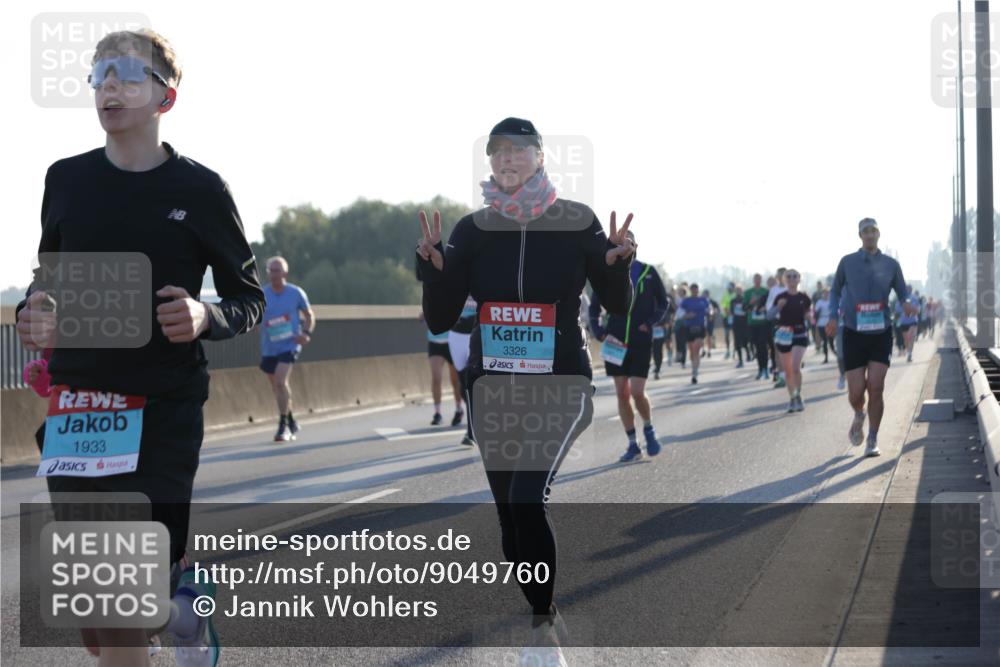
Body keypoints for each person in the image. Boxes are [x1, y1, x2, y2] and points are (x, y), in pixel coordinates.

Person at [15, 29, 264, 667]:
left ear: (165, 99)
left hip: (163, 409)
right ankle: (181, 612)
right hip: (79, 409)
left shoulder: (201, 189)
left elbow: (248, 296)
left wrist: (207, 315)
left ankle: (175, 611)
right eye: (99, 74)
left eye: (127, 73)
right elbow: (51, 275)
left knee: (121, 607)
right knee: (102, 626)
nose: (110, 85)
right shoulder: (65, 179)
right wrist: (34, 311)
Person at [415, 117, 635, 665]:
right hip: (492, 390)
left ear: (540, 157)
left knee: (525, 497)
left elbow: (618, 304)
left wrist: (615, 264)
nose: (507, 159)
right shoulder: (471, 230)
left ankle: (543, 628)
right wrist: (435, 270)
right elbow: (441, 318)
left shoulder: (575, 221)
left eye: (518, 150)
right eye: (497, 153)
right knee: (509, 519)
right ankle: (542, 611)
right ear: (489, 163)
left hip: (561, 385)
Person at [827, 218, 915, 457]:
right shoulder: (847, 262)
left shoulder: (891, 264)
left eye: (873, 230)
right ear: (860, 235)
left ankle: (873, 438)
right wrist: (832, 316)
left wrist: (906, 303)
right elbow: (835, 291)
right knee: (856, 392)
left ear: (878, 234)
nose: (869, 235)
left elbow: (902, 291)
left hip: (880, 333)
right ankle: (859, 413)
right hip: (853, 333)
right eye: (865, 231)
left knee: (876, 387)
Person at [589, 233, 669, 462]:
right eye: (619, 243)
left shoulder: (648, 273)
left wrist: (649, 323)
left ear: (635, 246)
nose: (624, 246)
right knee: (622, 394)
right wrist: (599, 332)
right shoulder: (606, 273)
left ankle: (649, 428)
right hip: (614, 342)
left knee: (636, 391)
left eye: (628, 242)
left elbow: (664, 303)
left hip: (640, 341)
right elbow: (593, 309)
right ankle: (633, 444)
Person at [260, 256, 314, 442]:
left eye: (276, 271)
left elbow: (309, 315)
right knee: (277, 387)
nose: (273, 274)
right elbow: (255, 316)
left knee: (281, 382)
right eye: (270, 271)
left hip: (290, 344)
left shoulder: (295, 293)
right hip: (269, 347)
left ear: (284, 273)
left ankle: (283, 426)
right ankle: (291, 419)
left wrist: (306, 333)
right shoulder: (263, 294)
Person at [769, 270, 812, 412]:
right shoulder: (780, 297)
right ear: (784, 280)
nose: (792, 279)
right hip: (784, 334)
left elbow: (808, 313)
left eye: (795, 276)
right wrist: (778, 307)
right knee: (788, 371)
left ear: (799, 279)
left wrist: (810, 317)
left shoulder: (804, 297)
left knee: (795, 367)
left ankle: (798, 395)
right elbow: (769, 316)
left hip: (799, 333)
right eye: (789, 276)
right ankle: (793, 398)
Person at [420, 311, 464, 426]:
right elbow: (423, 315)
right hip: (434, 343)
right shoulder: (432, 295)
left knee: (455, 380)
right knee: (436, 377)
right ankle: (437, 413)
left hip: (452, 341)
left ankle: (459, 409)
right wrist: (423, 315)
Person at [448, 295, 477, 445]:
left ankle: (471, 432)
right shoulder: (456, 277)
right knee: (462, 385)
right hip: (456, 335)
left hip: (475, 333)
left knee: (470, 381)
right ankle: (475, 420)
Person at [680, 284, 710, 384]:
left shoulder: (703, 300)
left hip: (700, 327)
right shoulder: (686, 301)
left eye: (696, 289)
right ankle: (694, 366)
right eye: (692, 290)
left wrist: (711, 313)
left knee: (696, 349)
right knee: (692, 351)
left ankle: (695, 372)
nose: (694, 291)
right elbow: (678, 315)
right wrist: (687, 316)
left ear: (698, 290)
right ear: (690, 290)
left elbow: (709, 309)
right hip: (689, 328)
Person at [744, 274, 771, 380]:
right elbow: (744, 308)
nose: (757, 281)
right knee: (756, 347)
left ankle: (765, 369)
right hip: (752, 323)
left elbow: (771, 305)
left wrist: (764, 307)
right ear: (753, 280)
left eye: (759, 279)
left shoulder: (766, 291)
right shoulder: (748, 292)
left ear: (761, 280)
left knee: (763, 346)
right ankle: (761, 368)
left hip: (764, 323)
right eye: (755, 279)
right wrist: (751, 302)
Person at [766, 268, 788, 387]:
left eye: (784, 275)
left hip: (790, 321)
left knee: (789, 349)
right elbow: (768, 305)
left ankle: (792, 371)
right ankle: (782, 377)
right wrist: (777, 307)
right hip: (777, 321)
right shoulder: (773, 290)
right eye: (779, 275)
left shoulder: (791, 289)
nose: (781, 277)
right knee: (778, 349)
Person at [651, 292, 676, 379]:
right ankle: (656, 365)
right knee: (653, 349)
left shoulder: (665, 298)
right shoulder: (647, 297)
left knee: (659, 348)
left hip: (662, 327)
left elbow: (673, 310)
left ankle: (658, 368)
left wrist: (669, 322)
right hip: (650, 327)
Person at [895, 285, 920, 363]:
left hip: (913, 321)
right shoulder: (901, 299)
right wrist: (905, 309)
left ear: (911, 289)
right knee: (906, 340)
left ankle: (909, 354)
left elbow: (918, 309)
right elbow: (897, 309)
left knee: (912, 338)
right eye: (907, 289)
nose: (908, 290)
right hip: (904, 322)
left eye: (910, 288)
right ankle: (908, 351)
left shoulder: (915, 298)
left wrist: (912, 309)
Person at [814, 288, 835, 363]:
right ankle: (826, 358)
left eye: (827, 293)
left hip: (829, 322)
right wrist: (817, 312)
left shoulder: (832, 301)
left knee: (831, 341)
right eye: (824, 293)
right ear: (822, 294)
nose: (825, 294)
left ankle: (835, 353)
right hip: (821, 323)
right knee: (824, 341)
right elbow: (816, 312)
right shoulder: (819, 302)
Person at [731, 284, 749, 368]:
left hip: (745, 323)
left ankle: (748, 353)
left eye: (739, 290)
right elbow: (731, 312)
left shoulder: (745, 300)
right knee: (737, 342)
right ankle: (740, 360)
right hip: (736, 323)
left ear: (742, 291)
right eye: (737, 290)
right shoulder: (733, 301)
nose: (738, 292)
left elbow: (747, 309)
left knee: (745, 341)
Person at [673, 284, 689, 369]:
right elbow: (674, 308)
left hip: (685, 321)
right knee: (678, 340)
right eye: (679, 291)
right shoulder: (676, 300)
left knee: (684, 343)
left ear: (684, 292)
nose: (680, 292)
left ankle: (683, 361)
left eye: (682, 291)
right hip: (678, 321)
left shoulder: (687, 300)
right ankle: (679, 355)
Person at [720, 281, 736, 360]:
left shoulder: (736, 294)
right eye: (728, 287)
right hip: (726, 317)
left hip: (734, 317)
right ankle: (728, 350)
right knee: (726, 335)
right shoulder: (725, 295)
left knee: (735, 334)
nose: (729, 289)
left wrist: (732, 313)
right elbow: (723, 305)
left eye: (731, 287)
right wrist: (727, 311)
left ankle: (735, 351)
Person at [704, 289, 721, 359]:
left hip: (710, 321)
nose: (705, 295)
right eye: (704, 294)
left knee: (709, 336)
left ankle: (709, 351)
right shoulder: (701, 301)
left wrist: (713, 312)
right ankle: (703, 349)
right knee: (702, 336)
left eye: (706, 294)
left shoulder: (713, 302)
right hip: (702, 321)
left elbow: (718, 310)